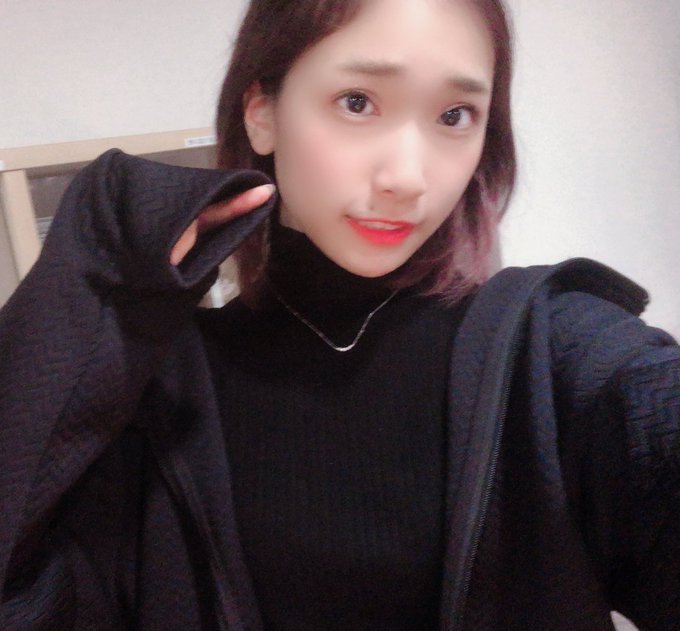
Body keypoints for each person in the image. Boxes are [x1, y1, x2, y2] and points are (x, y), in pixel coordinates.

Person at [0, 0, 678, 630]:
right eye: (358, 102)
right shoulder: (166, 394)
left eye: (454, 115)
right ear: (262, 113)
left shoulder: (553, 352)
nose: (407, 177)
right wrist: (101, 272)